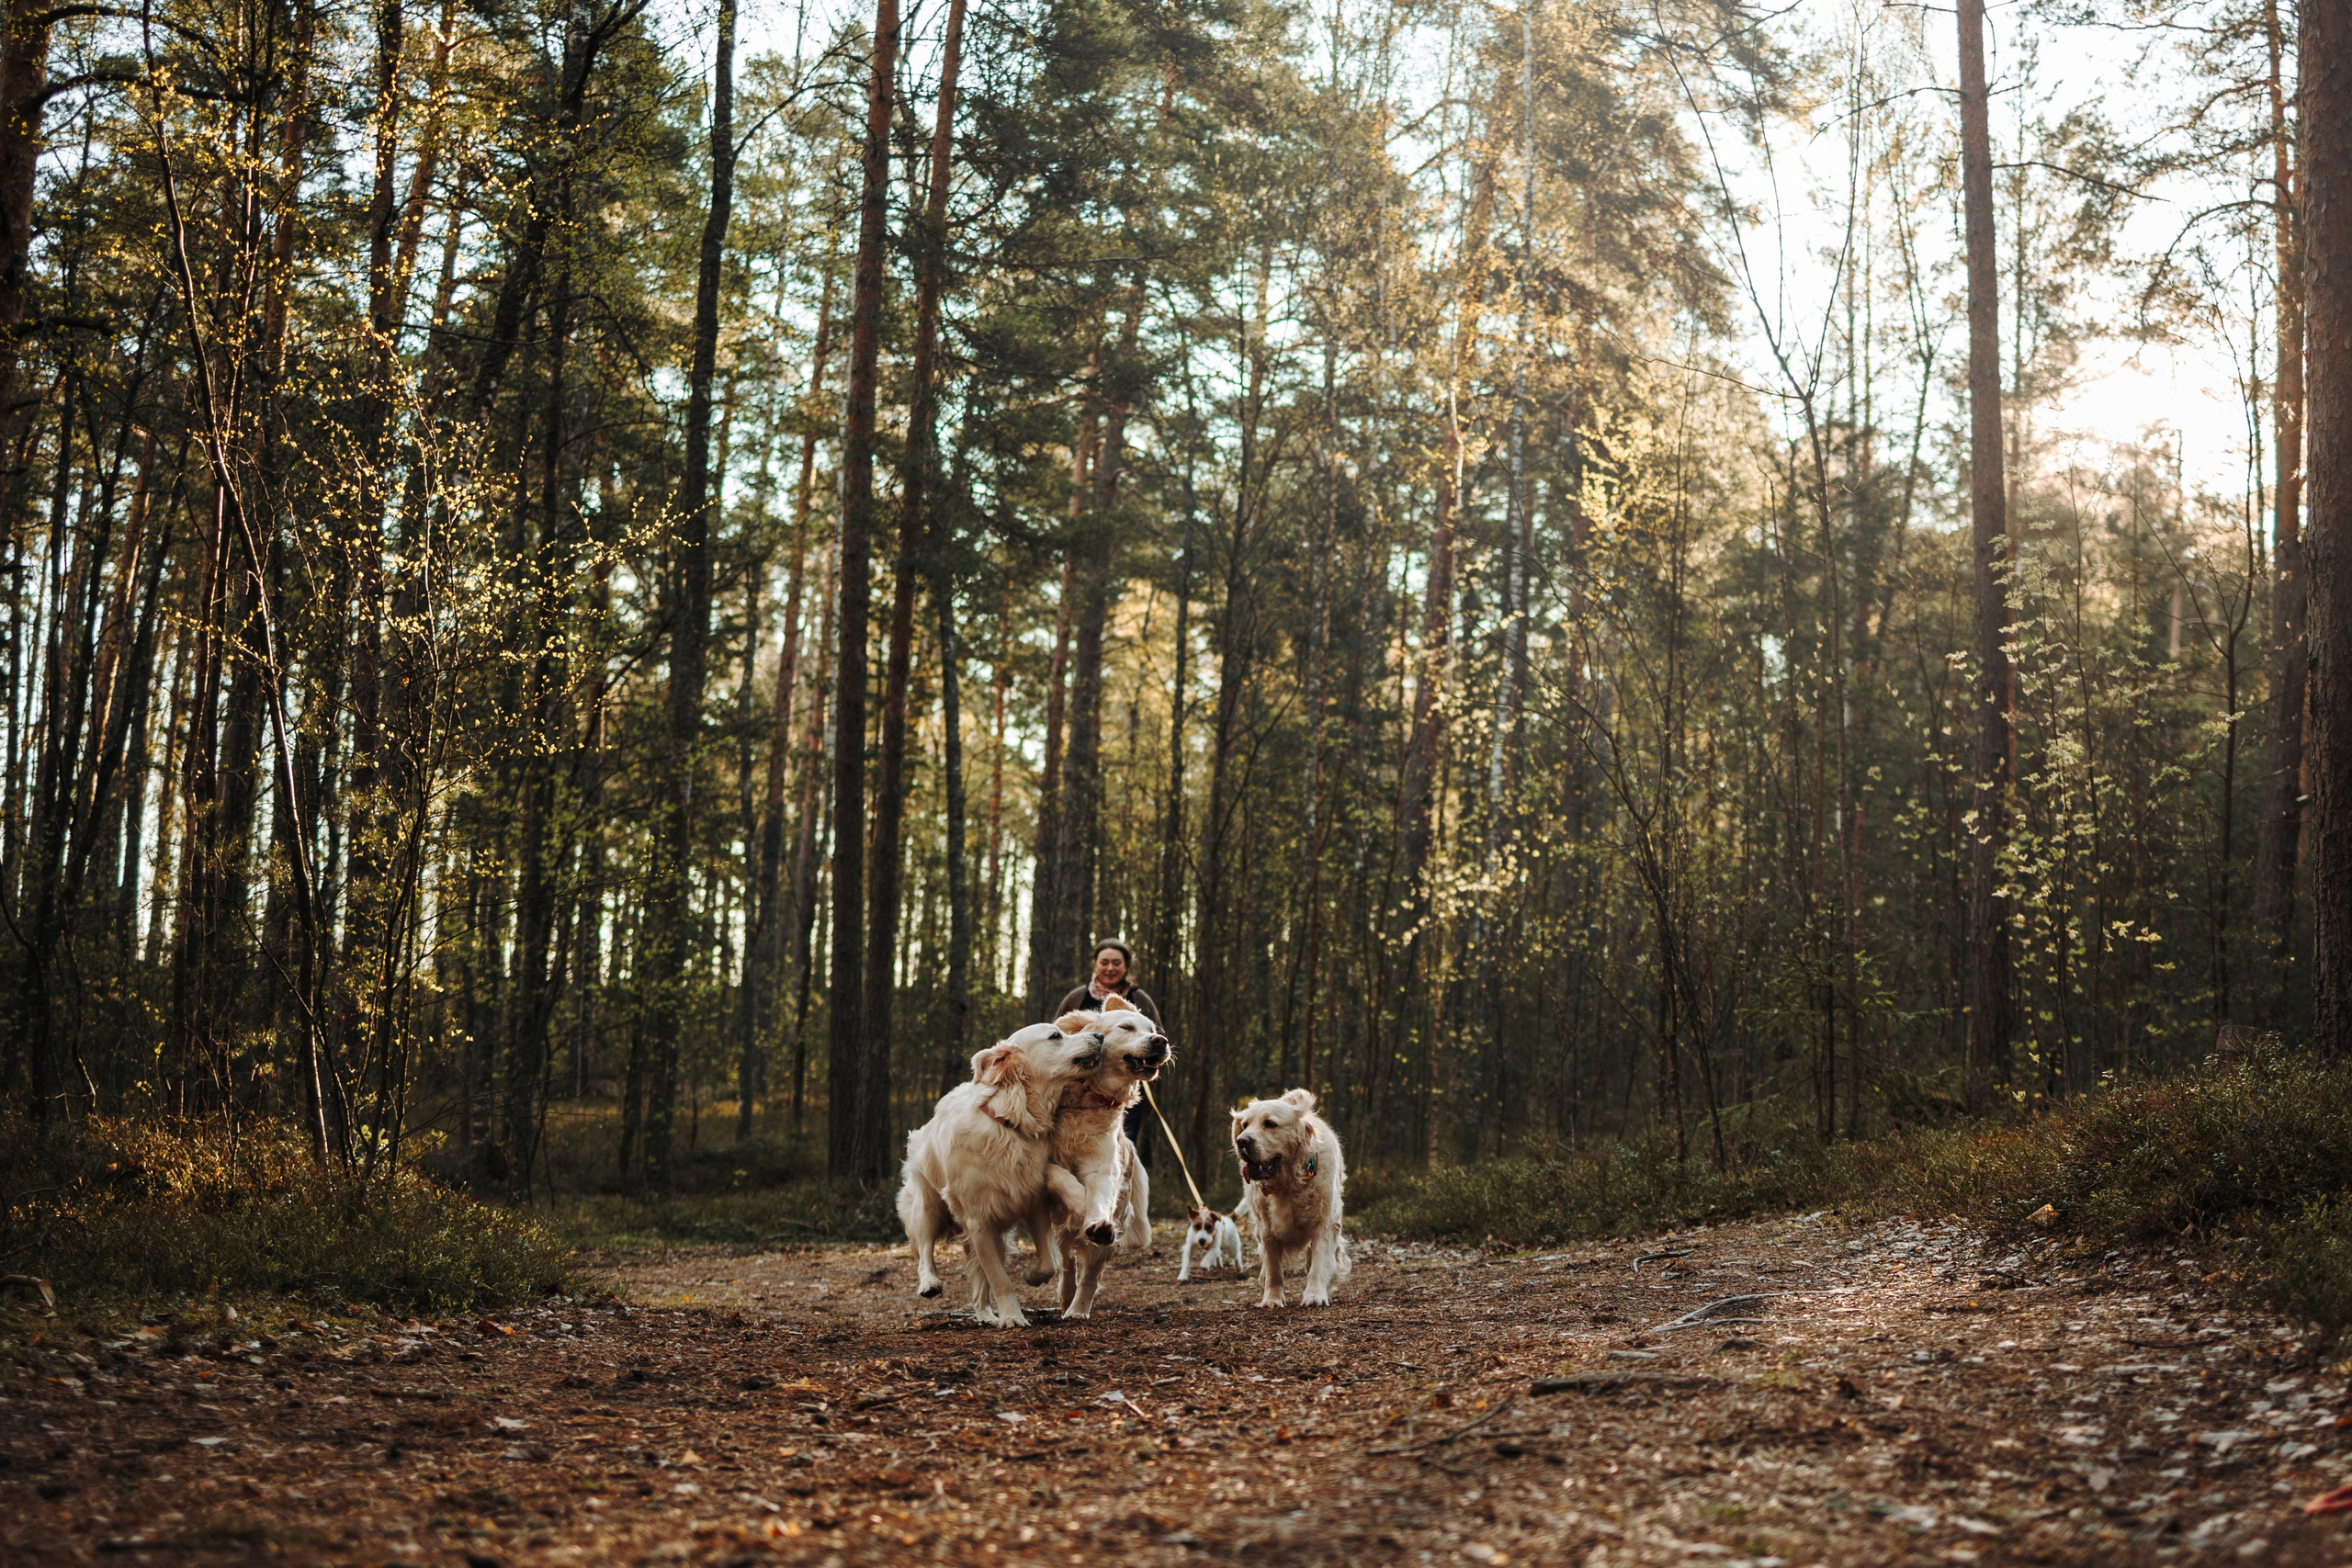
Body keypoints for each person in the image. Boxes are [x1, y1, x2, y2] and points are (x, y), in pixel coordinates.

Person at [1056, 939, 1160, 1168]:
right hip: (1078, 1088)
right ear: (1096, 965)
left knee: (1122, 1147)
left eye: (1116, 963)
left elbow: (1156, 1037)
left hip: (1124, 1089)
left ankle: (1116, 1184)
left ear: (1126, 966)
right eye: (1104, 962)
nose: (1110, 968)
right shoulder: (1076, 998)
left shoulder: (1140, 999)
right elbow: (1056, 1034)